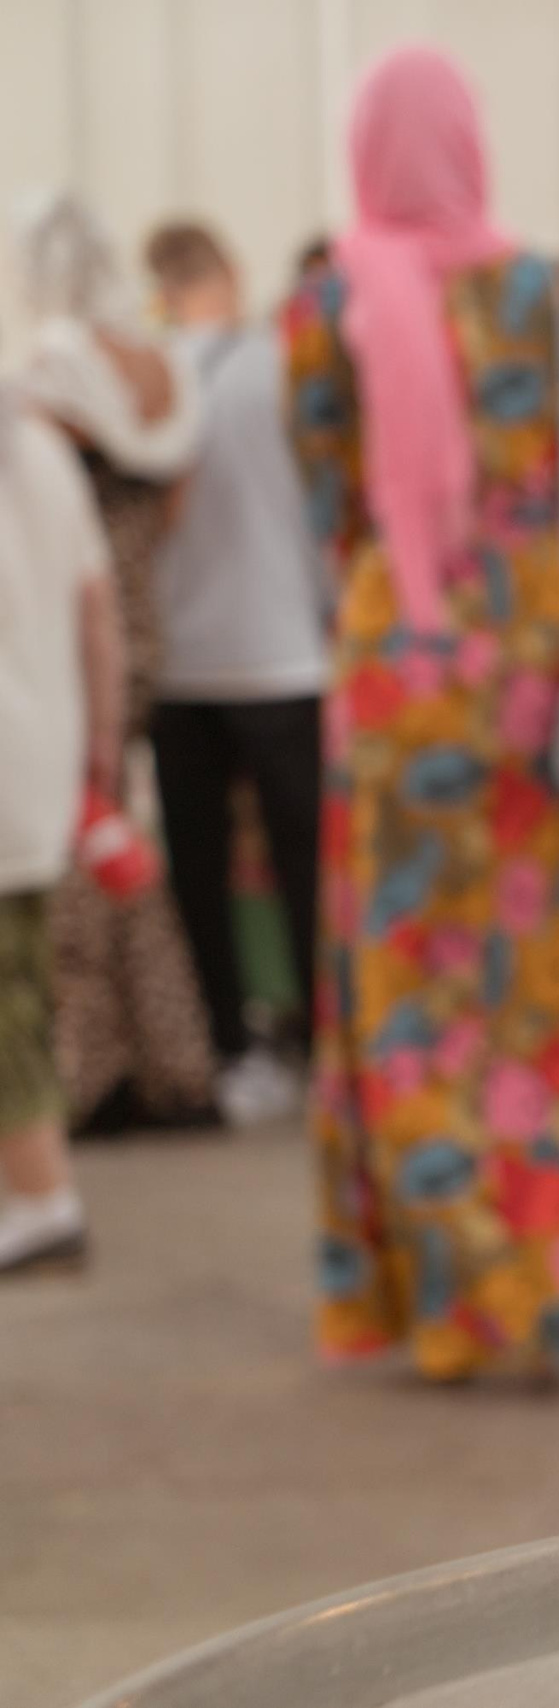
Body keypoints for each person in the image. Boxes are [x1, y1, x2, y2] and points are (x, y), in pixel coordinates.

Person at [285, 46, 559, 1379]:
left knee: (401, 988)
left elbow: (326, 495)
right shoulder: (549, 295)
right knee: (524, 979)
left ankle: (450, 1302)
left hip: (398, 668)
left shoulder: (330, 296)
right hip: (521, 664)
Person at [13, 191, 222, 1134]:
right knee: (123, 845)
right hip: (145, 619)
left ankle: (92, 1070)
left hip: (74, 637)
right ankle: (174, 1060)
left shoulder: (58, 370)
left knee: (77, 856)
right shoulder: (164, 367)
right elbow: (177, 501)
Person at [141, 219, 331, 1126]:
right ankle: (330, 1048)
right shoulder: (284, 367)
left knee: (199, 871)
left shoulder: (146, 378)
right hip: (285, 650)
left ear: (161, 286)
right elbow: (323, 508)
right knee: (307, 866)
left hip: (181, 661)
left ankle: (227, 1046)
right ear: (232, 269)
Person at [0, 385, 125, 1274]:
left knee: (9, 996)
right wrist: (103, 753)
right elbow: (99, 613)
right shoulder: (42, 447)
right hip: (44, 756)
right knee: (24, 982)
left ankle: (41, 1196)